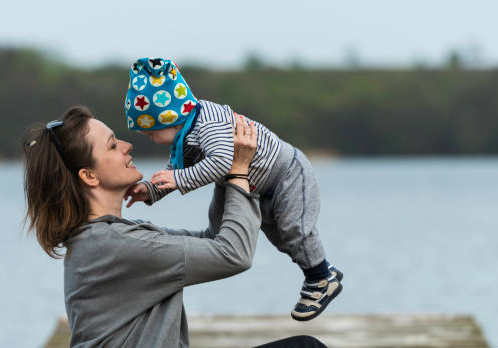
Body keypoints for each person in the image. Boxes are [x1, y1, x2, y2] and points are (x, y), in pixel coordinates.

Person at [21, 106, 498, 348]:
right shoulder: (111, 245)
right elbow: (234, 253)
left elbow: (213, 240)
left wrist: (233, 175)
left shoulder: (112, 237)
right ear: (89, 176)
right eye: (112, 144)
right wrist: (237, 171)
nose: (127, 144)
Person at [122, 57, 341, 322]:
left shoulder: (209, 125)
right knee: (242, 233)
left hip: (286, 173)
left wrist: (179, 179)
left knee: (295, 230)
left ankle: (320, 278)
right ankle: (321, 267)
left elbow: (222, 161)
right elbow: (177, 166)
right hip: (247, 183)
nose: (150, 139)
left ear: (170, 117)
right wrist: (151, 189)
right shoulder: (186, 130)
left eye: (150, 133)